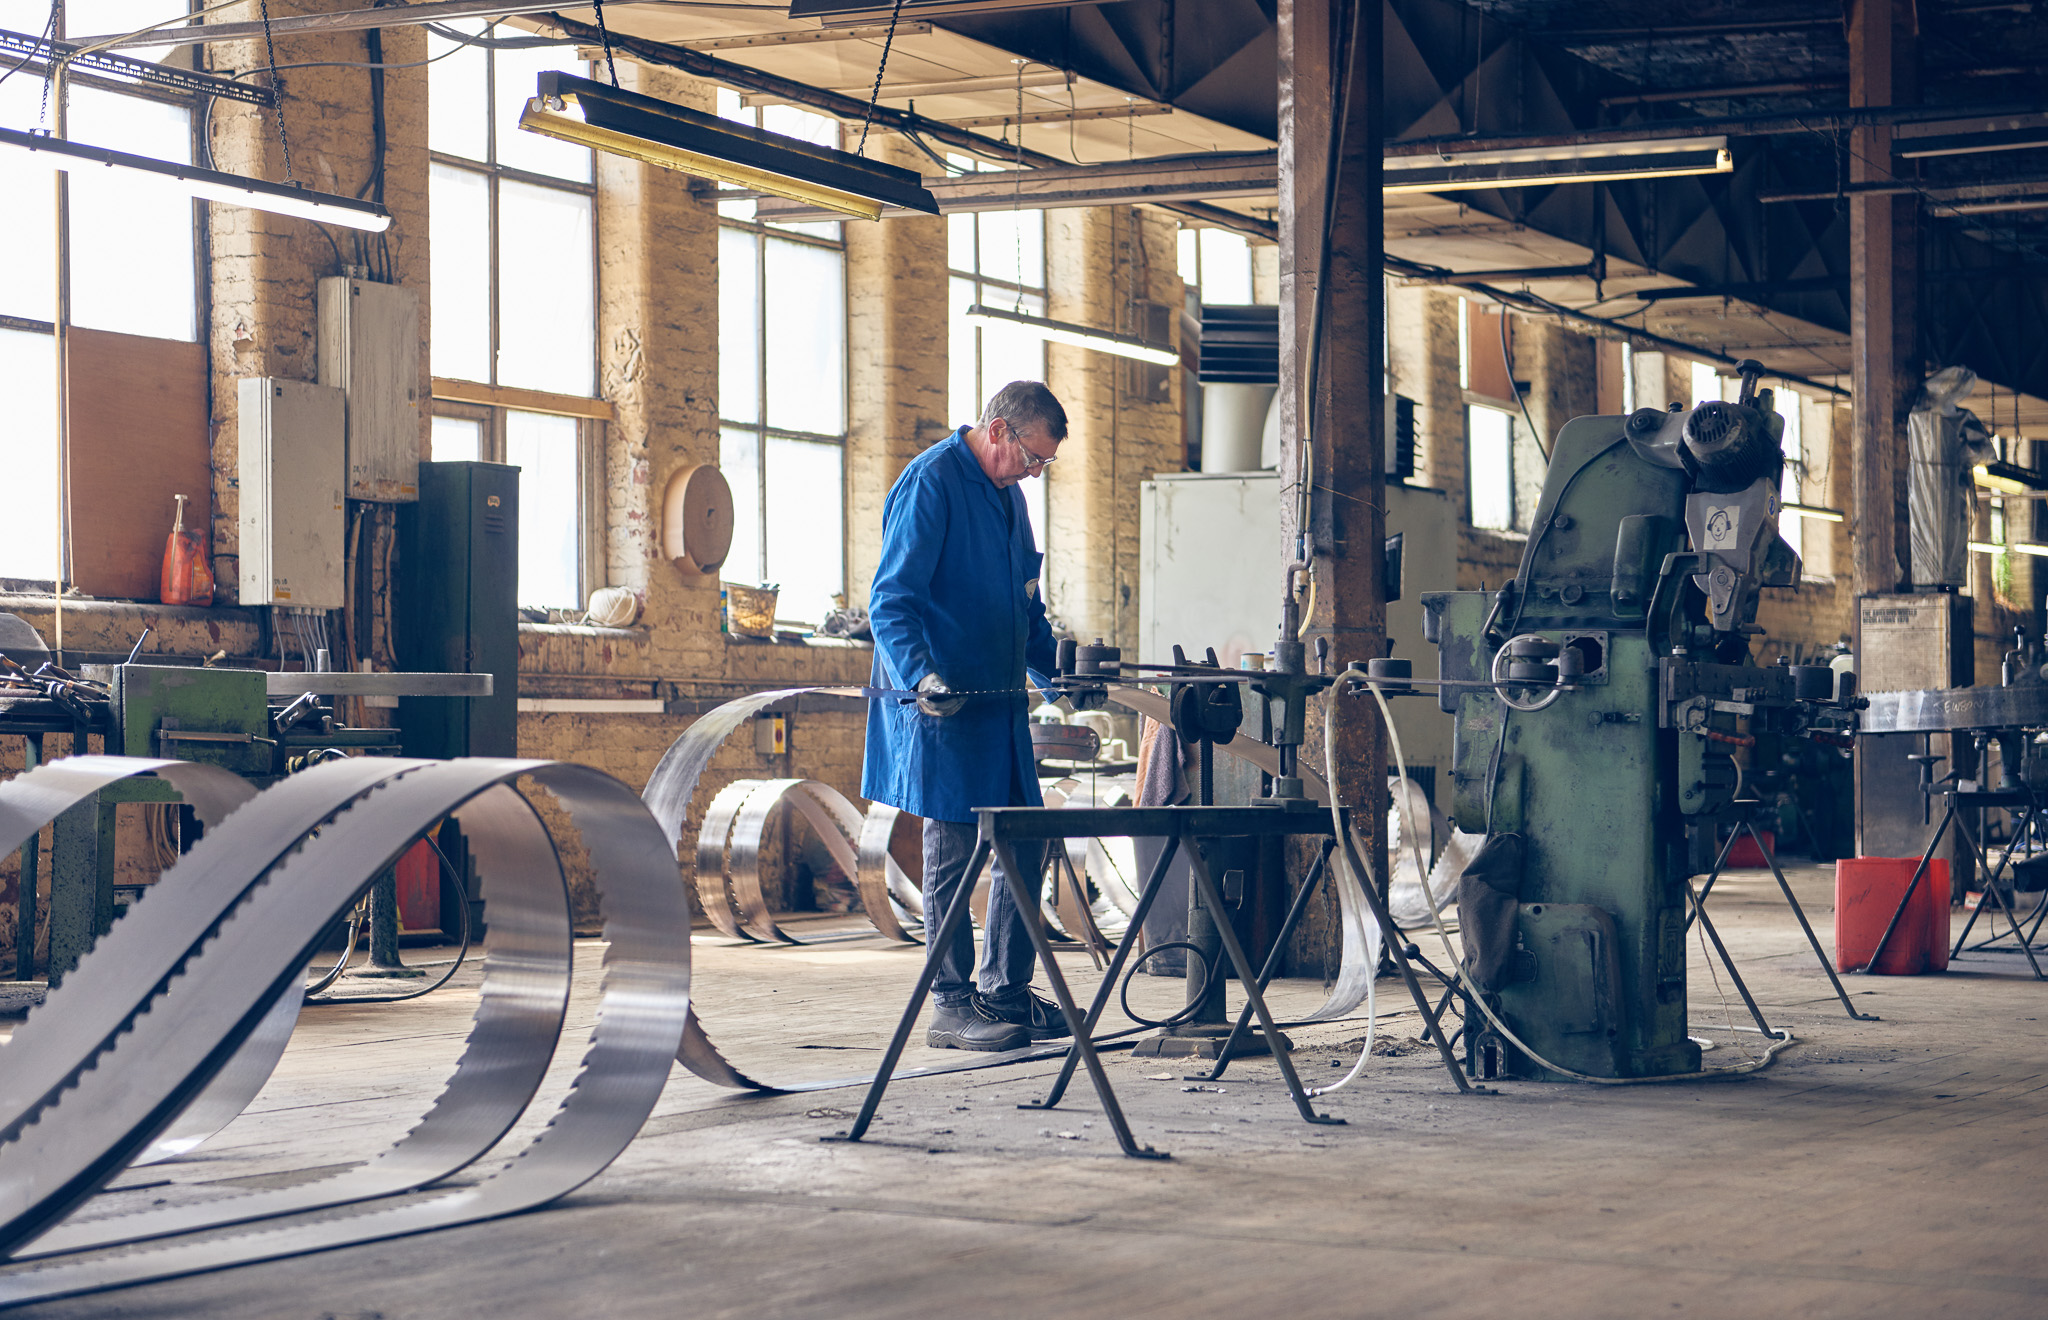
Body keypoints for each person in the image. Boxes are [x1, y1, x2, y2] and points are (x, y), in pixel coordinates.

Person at [863, 381, 1069, 1051]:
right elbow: (892, 599)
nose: (1035, 474)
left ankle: (1005, 991)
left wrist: (1063, 675)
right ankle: (950, 1004)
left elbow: (1024, 609)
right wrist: (921, 674)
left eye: (1045, 465)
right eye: (1033, 458)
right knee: (953, 850)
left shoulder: (1011, 501)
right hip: (944, 707)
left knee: (1025, 839)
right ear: (1001, 431)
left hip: (1001, 709)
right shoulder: (932, 483)